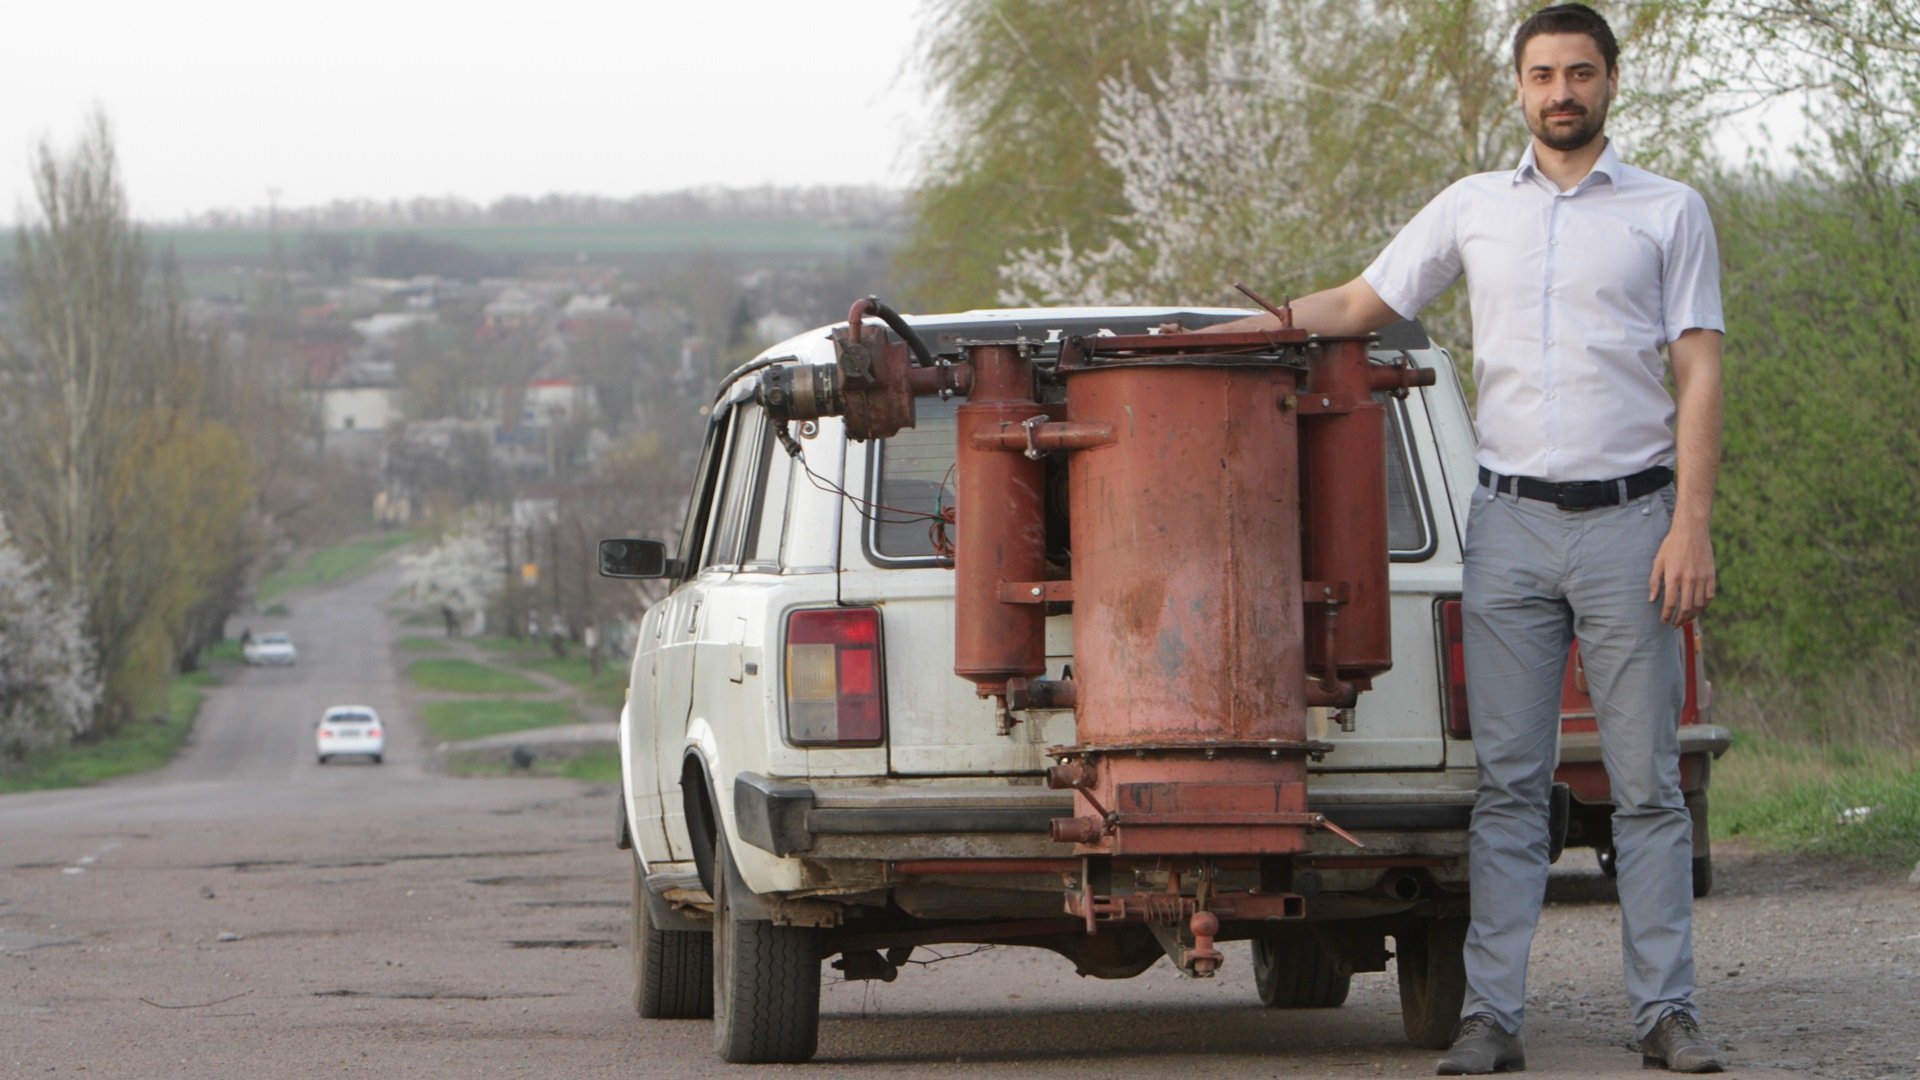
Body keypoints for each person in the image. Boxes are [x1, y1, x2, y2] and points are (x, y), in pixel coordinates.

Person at [1200, 3, 1727, 1073]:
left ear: (1612, 83)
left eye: (1580, 72)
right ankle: (1492, 1019)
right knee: (1509, 789)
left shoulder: (1670, 212)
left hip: (1635, 527)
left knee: (1647, 791)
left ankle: (1665, 1013)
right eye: (1542, 74)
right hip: (1509, 530)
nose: (1561, 91)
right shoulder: (1474, 207)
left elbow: (1701, 368)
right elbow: (1361, 300)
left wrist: (1692, 524)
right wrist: (1237, 334)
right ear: (1520, 88)